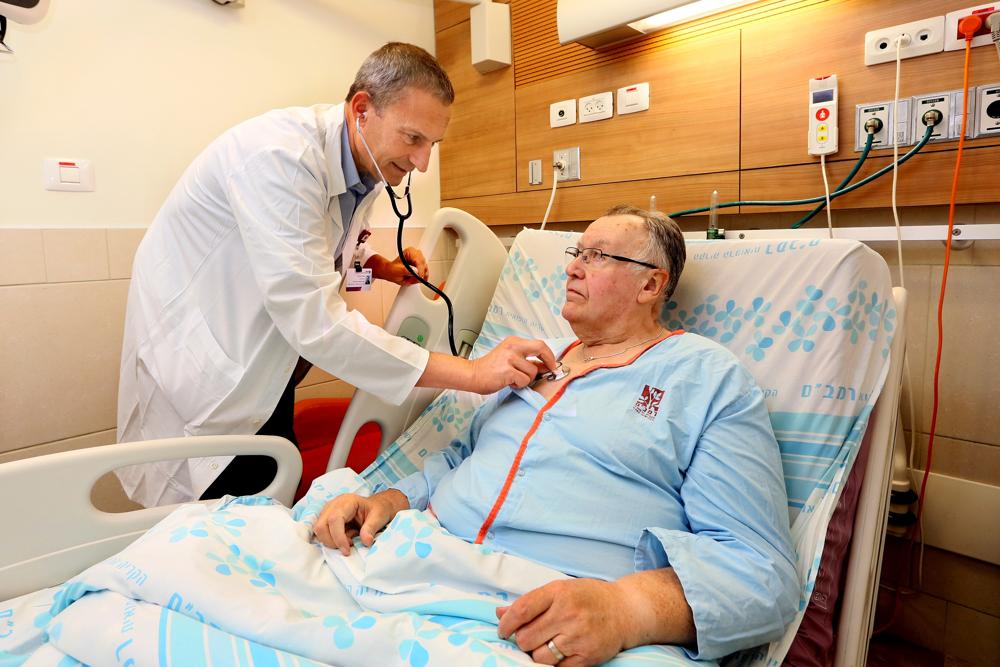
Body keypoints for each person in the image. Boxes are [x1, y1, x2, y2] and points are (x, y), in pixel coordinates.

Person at [313, 205, 799, 665]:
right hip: (415, 562)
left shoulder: (704, 378)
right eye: (576, 254)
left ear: (651, 284)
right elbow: (463, 457)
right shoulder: (537, 364)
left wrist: (623, 608)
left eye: (597, 256)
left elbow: (760, 575)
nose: (573, 269)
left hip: (540, 612)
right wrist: (390, 501)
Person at [116, 42, 555, 508]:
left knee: (263, 499)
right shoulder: (278, 159)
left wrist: (380, 270)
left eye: (432, 144)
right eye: (413, 139)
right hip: (210, 373)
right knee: (220, 519)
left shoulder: (361, 172)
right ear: (363, 109)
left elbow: (323, 262)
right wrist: (471, 373)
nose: (422, 163)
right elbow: (314, 318)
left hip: (265, 365)